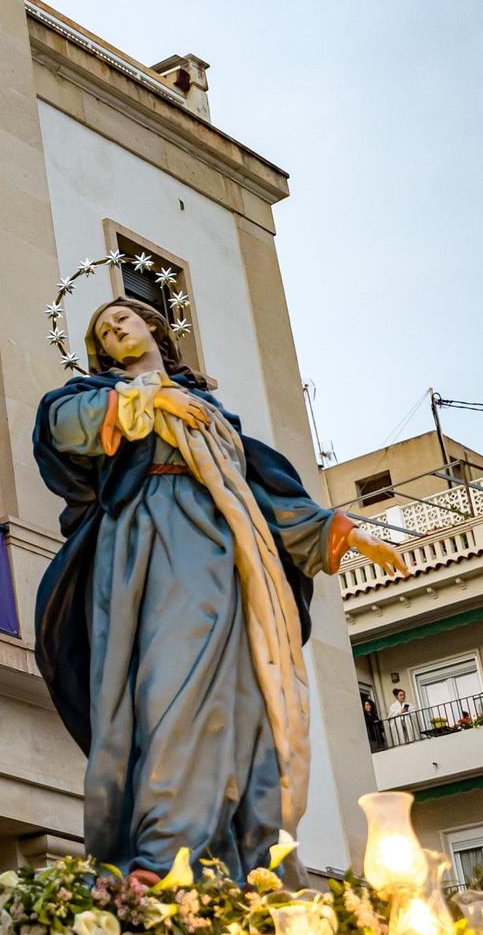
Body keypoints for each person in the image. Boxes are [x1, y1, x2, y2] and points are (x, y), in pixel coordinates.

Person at [35, 298, 408, 882]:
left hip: (230, 556)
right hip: (150, 549)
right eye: (103, 333)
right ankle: (165, 853)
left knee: (240, 698)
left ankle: (243, 857)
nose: (114, 332)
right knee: (168, 689)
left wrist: (350, 536)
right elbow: (61, 430)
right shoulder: (94, 398)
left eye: (122, 321)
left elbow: (263, 494)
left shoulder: (213, 414)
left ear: (153, 326)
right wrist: (153, 398)